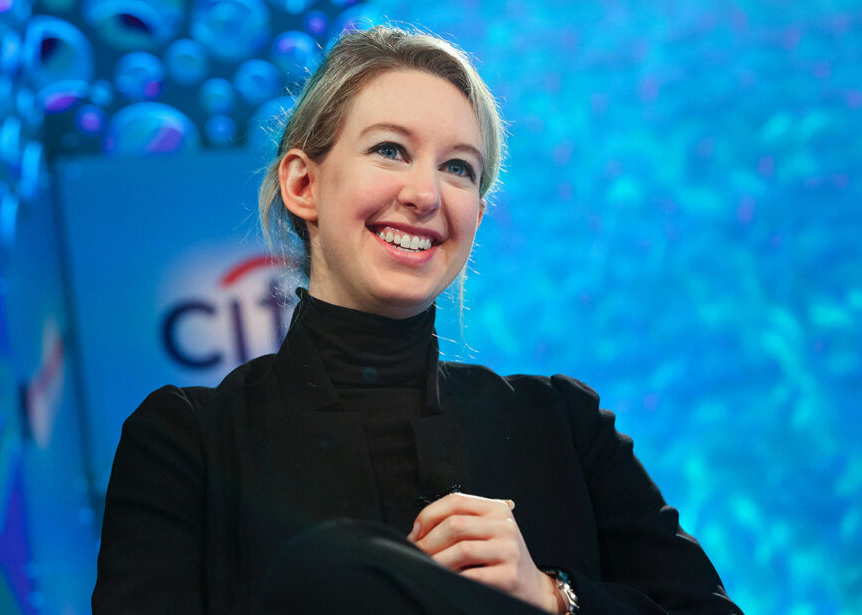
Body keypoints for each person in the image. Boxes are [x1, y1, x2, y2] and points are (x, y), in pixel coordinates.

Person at [92, 25, 742, 614]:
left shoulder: (565, 426)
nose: (425, 195)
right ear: (302, 185)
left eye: (459, 168)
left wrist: (549, 594)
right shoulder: (186, 440)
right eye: (390, 151)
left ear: (477, 217)